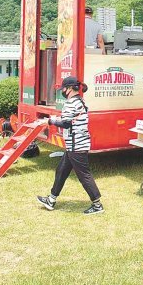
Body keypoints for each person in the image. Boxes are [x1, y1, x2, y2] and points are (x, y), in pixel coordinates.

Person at [37, 76, 104, 215]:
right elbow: (69, 120)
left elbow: (66, 123)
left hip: (76, 145)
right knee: (61, 170)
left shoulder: (70, 103)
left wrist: (50, 121)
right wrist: (54, 120)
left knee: (84, 175)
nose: (62, 91)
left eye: (63, 88)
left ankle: (97, 205)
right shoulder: (80, 101)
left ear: (68, 89)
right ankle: (51, 199)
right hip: (76, 144)